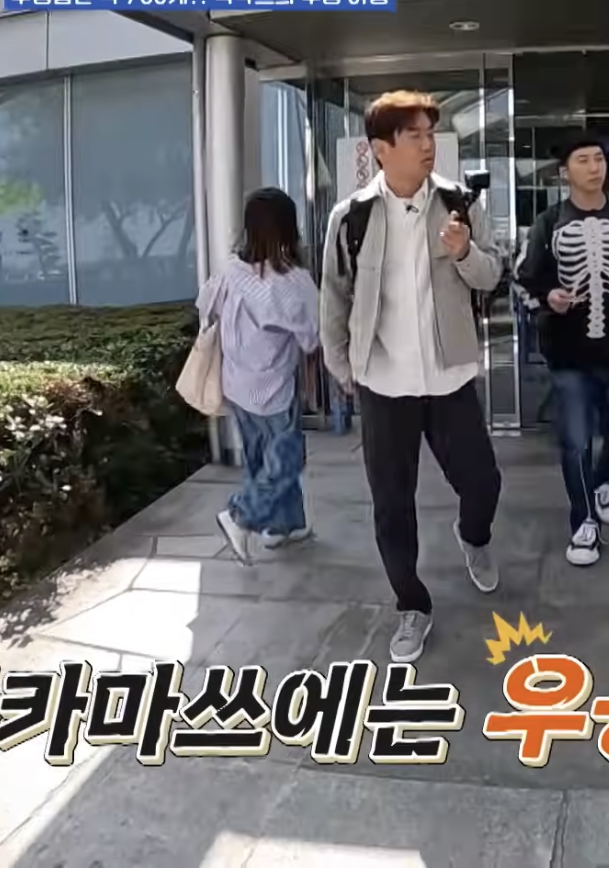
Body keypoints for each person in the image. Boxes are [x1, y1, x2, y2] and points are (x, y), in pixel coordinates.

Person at [318, 90, 505, 665]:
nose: (428, 145)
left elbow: (491, 275)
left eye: (430, 134)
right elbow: (334, 297)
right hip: (384, 385)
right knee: (392, 505)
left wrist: (465, 252)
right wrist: (343, 367)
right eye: (414, 136)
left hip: (449, 379)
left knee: (483, 483)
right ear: (381, 148)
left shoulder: (458, 205)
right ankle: (412, 605)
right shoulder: (351, 217)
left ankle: (473, 536)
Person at [516, 137, 609, 567]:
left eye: (599, 159)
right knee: (575, 441)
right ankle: (583, 521)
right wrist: (548, 296)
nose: (594, 167)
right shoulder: (549, 221)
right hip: (569, 353)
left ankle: (602, 480)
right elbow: (526, 278)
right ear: (565, 172)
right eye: (583, 160)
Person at [204, 187, 322, 566]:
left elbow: (206, 307)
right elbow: (312, 337)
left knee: (260, 460)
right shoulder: (292, 282)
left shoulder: (231, 270)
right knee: (285, 461)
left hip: (237, 385)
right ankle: (240, 516)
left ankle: (285, 525)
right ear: (289, 228)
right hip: (274, 390)